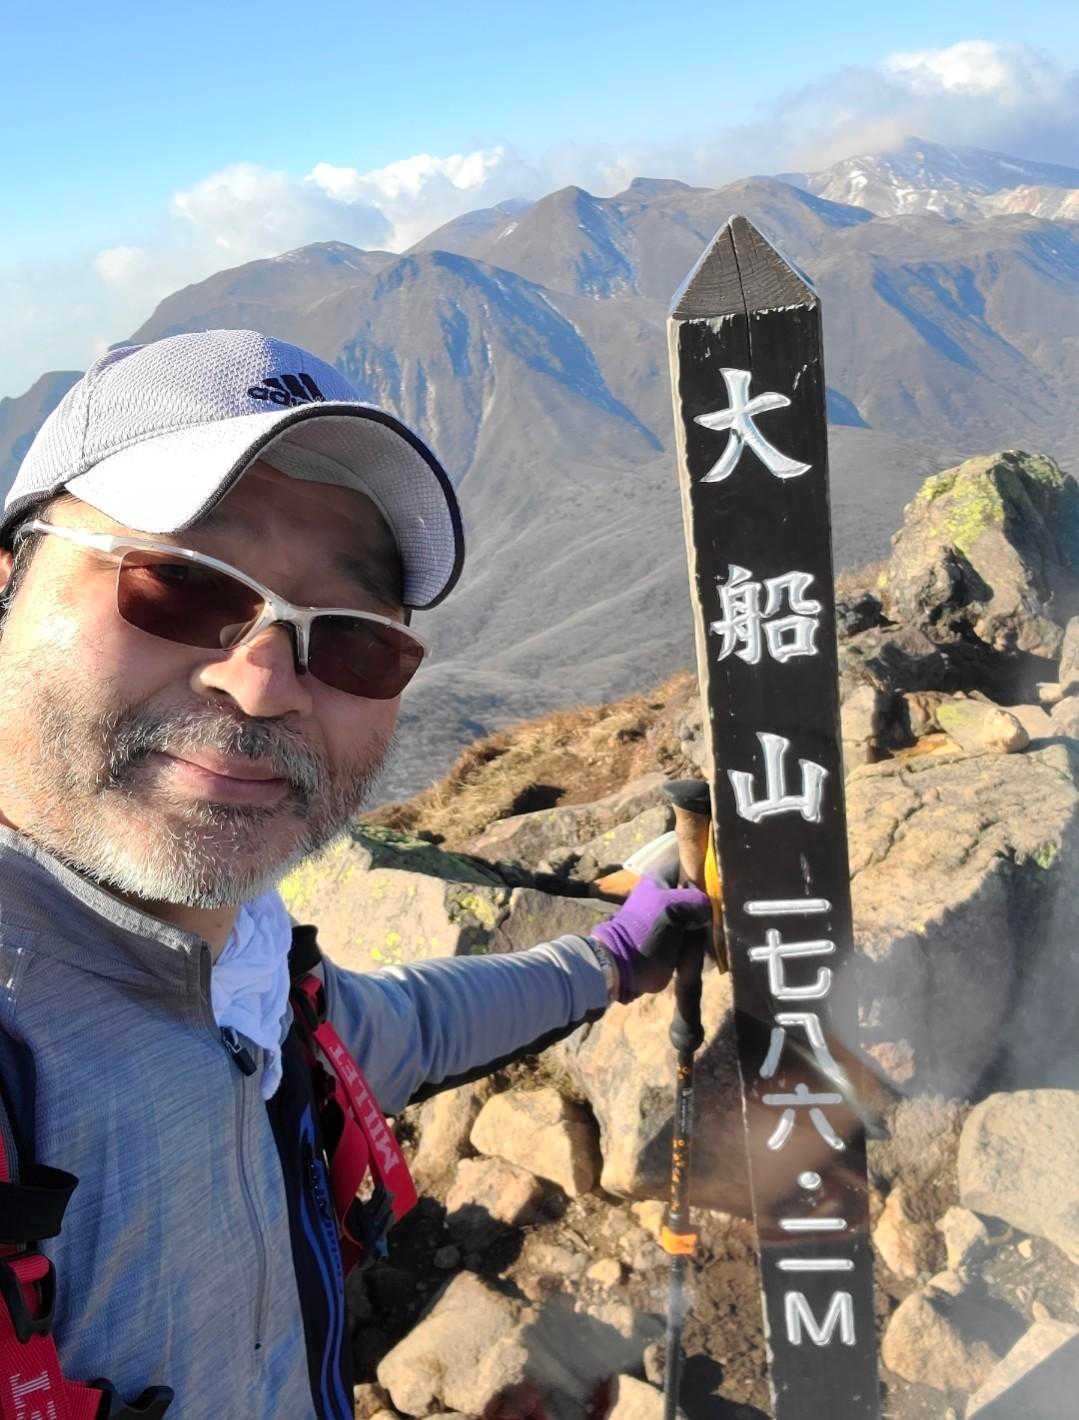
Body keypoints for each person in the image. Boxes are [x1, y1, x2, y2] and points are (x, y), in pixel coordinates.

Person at [0, 329, 710, 1419]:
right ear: (10, 585)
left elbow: (399, 1031)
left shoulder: (248, 978)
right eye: (179, 583)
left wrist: (611, 957)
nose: (262, 683)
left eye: (350, 640)